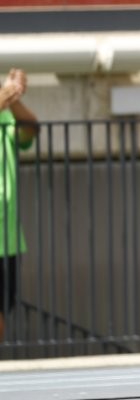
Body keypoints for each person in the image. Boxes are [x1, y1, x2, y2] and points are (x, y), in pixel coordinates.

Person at [0, 68, 38, 341]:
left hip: (7, 238)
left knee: (3, 310)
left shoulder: (5, 112)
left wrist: (14, 98)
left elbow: (30, 130)